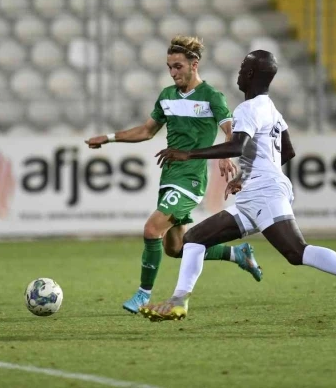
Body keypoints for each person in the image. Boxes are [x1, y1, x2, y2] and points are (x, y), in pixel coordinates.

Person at [140, 50, 336, 324]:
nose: (239, 72)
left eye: (243, 67)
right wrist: (244, 176)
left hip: (265, 193)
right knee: (194, 239)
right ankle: (178, 301)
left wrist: (188, 154)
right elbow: (286, 151)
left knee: (297, 252)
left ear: (250, 74)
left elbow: (237, 146)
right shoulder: (271, 109)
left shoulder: (248, 109)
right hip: (256, 193)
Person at [85, 35, 263, 314]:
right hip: (169, 176)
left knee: (151, 229)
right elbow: (146, 131)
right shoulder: (167, 96)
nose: (173, 72)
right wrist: (108, 138)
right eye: (169, 67)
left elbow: (231, 131)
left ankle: (143, 295)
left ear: (194, 64)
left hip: (191, 178)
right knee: (177, 248)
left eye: (178, 66)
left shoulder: (211, 96)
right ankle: (236, 253)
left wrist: (225, 155)